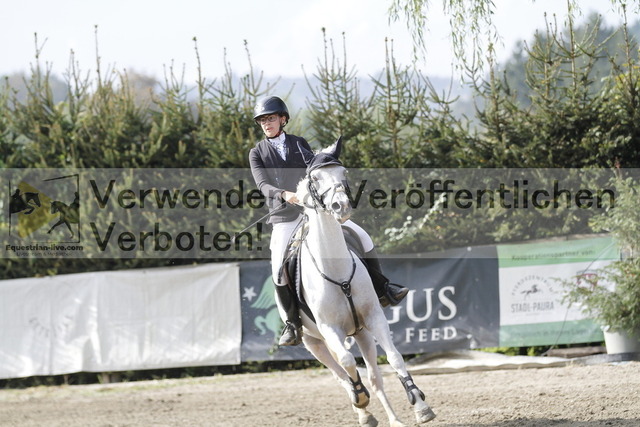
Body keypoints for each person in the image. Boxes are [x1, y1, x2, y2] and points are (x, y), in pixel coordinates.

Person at [248, 96, 409, 346]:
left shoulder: (299, 143)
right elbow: (262, 184)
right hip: (284, 218)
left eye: (270, 118)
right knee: (279, 268)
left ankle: (383, 289)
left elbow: (314, 169)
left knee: (361, 236)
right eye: (262, 121)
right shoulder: (257, 152)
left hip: (311, 211)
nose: (266, 124)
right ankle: (292, 323)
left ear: (282, 119)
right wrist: (284, 195)